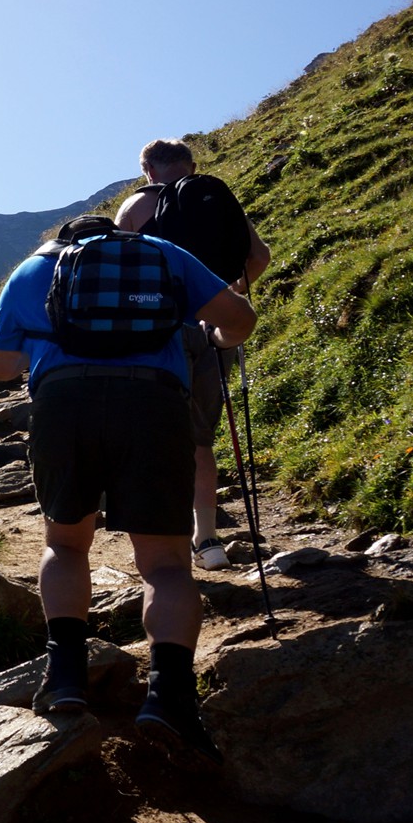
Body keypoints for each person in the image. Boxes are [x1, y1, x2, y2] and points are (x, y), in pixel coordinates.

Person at [0, 214, 255, 770]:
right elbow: (240, 319)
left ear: (65, 239)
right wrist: (212, 338)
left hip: (64, 408)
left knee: (65, 543)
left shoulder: (35, 268)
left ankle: (64, 676)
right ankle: (169, 695)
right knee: (165, 564)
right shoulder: (164, 253)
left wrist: (44, 343)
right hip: (154, 405)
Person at [115, 139, 270, 571]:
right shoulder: (218, 201)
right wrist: (228, 296)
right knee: (200, 439)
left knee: (155, 434)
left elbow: (119, 270)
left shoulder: (136, 207)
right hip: (214, 330)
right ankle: (208, 540)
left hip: (159, 332)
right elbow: (259, 257)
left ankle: (165, 538)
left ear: (148, 170)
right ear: (192, 166)